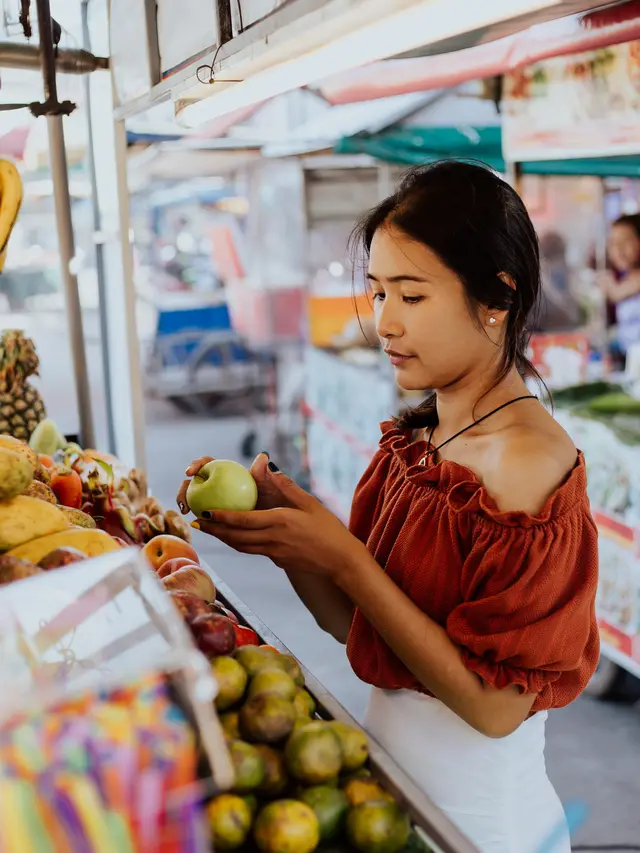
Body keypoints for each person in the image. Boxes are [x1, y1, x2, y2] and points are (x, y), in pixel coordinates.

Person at [178, 162, 599, 853]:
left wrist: (344, 556)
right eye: (377, 293)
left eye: (412, 295)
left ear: (496, 297)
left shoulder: (529, 465)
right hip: (389, 796)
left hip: (481, 826)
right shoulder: (419, 440)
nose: (384, 322)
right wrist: (285, 536)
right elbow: (356, 627)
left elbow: (495, 709)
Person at [601, 213, 640, 357]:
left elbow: (616, 293)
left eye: (625, 241)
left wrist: (608, 285)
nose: (618, 249)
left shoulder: (632, 281)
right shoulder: (624, 277)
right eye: (612, 243)